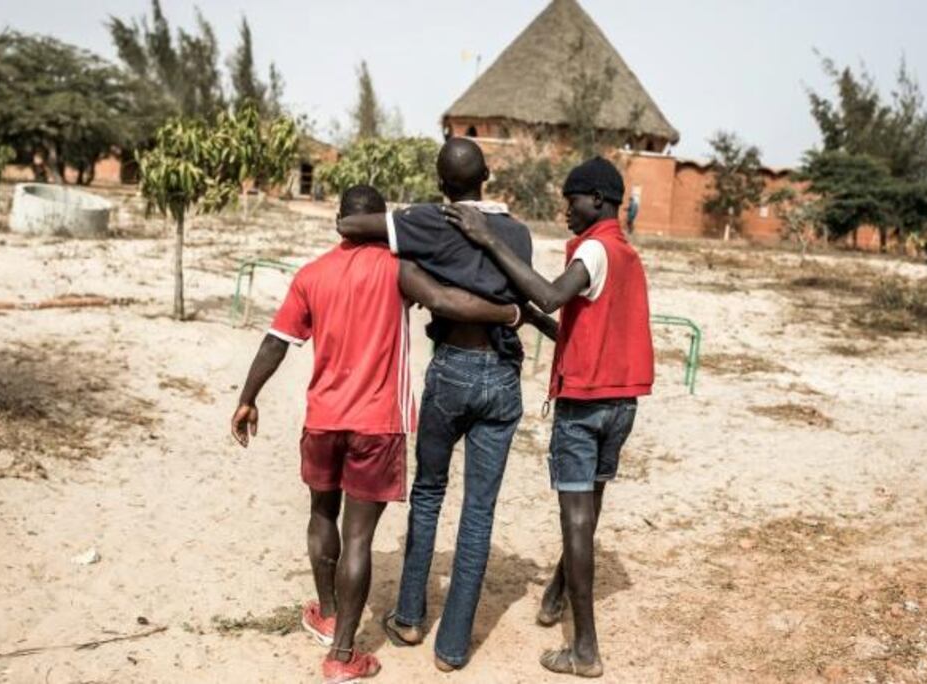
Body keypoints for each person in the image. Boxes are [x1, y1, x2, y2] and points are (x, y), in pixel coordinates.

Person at [230, 185, 521, 684]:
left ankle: (325, 614)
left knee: (322, 513)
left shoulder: (312, 274)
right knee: (358, 535)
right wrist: (509, 314)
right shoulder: (398, 268)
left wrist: (247, 398)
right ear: (381, 221)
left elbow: (275, 342)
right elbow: (447, 300)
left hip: (322, 419)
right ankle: (343, 654)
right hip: (377, 423)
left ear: (341, 222)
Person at [442, 157, 654, 678]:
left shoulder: (598, 248)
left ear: (599, 201)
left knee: (577, 519)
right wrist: (528, 316)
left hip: (584, 407)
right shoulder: (625, 253)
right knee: (590, 507)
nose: (565, 209)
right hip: (621, 403)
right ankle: (557, 591)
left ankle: (583, 651)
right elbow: (578, 324)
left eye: (572, 199)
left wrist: (488, 238)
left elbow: (552, 296)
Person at [336, 138, 534, 671]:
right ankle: (452, 649)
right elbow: (515, 291)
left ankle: (409, 617)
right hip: (503, 374)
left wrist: (411, 245)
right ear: (487, 175)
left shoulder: (432, 220)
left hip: (451, 368)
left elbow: (352, 227)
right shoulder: (518, 233)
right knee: (479, 510)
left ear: (442, 183)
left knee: (428, 492)